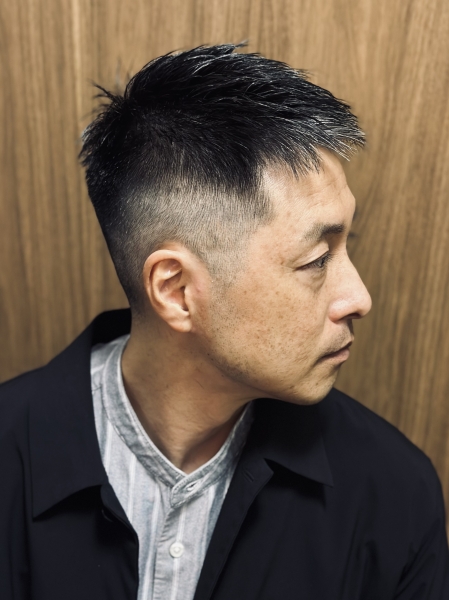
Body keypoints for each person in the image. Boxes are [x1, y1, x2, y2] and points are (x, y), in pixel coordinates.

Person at [0, 43, 448, 600]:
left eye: (345, 246)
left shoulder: (393, 496)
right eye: (316, 260)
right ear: (176, 291)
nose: (359, 298)